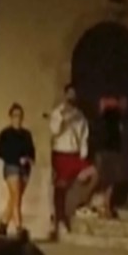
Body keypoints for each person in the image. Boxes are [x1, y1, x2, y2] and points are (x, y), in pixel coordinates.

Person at [49, 83, 98, 234]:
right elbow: (54, 132)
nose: (71, 97)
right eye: (69, 94)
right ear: (65, 95)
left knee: (93, 173)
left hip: (75, 153)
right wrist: (64, 119)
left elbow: (84, 135)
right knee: (61, 186)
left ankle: (78, 204)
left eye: (73, 95)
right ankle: (60, 220)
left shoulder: (80, 115)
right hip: (61, 153)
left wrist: (83, 153)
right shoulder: (57, 113)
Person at [93, 96, 128, 218]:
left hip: (113, 152)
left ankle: (106, 206)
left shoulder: (123, 120)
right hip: (105, 151)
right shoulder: (108, 117)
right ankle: (104, 207)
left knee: (111, 181)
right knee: (105, 181)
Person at [0, 103, 35, 236]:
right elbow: (1, 153)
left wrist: (28, 159)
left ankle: (3, 225)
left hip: (25, 169)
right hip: (11, 167)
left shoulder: (26, 134)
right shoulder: (5, 134)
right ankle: (19, 229)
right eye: (15, 116)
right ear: (11, 117)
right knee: (16, 197)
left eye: (20, 116)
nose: (17, 118)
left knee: (14, 199)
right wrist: (17, 157)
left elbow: (32, 151)